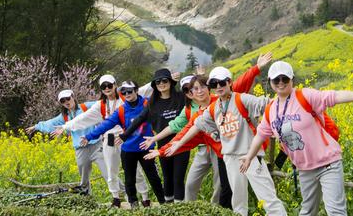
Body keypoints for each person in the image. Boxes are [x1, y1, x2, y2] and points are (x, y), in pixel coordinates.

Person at [240, 61, 353, 216]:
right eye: (276, 80)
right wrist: (249, 157)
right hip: (304, 168)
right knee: (308, 212)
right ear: (270, 82)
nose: (281, 83)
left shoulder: (305, 96)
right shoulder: (271, 109)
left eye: (285, 79)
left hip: (328, 163)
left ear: (292, 79)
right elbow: (261, 135)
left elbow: (334, 96)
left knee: (335, 212)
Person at [140, 53, 271, 206]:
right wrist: (162, 148)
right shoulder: (194, 112)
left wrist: (256, 68)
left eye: (202, 87)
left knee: (226, 188)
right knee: (214, 188)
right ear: (188, 94)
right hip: (216, 150)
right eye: (191, 90)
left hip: (236, 150)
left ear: (209, 89)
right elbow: (183, 130)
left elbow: (238, 84)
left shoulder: (221, 100)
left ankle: (220, 209)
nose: (198, 91)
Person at [164, 66, 287, 216]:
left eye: (221, 83)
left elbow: (269, 104)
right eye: (214, 84)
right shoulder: (214, 107)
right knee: (238, 202)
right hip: (231, 159)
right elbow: (196, 125)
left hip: (251, 156)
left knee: (268, 198)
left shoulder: (242, 99)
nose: (218, 87)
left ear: (229, 82)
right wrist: (179, 143)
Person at [53, 74, 150, 208]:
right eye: (104, 86)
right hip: (110, 139)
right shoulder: (101, 105)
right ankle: (116, 198)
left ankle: (145, 198)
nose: (107, 88)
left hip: (127, 138)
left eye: (109, 85)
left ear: (115, 85)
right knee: (111, 170)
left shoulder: (125, 96)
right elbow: (84, 118)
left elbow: (145, 89)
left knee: (136, 170)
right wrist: (65, 126)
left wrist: (166, 78)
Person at [81, 80, 165, 209]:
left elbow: (164, 103)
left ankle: (164, 203)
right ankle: (133, 204)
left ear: (136, 91)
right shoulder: (121, 110)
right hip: (128, 149)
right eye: (123, 92)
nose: (127, 94)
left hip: (146, 146)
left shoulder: (148, 103)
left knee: (153, 177)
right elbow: (106, 124)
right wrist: (89, 136)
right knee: (129, 179)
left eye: (129, 91)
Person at [118, 68, 190, 203]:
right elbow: (140, 119)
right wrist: (125, 135)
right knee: (167, 177)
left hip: (182, 142)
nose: (161, 84)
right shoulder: (153, 103)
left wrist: (201, 77)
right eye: (158, 82)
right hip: (163, 143)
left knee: (178, 178)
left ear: (170, 81)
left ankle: (180, 208)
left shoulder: (181, 97)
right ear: (154, 85)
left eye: (164, 80)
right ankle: (168, 206)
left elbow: (197, 97)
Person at [25, 89, 108, 195]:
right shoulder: (65, 116)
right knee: (84, 178)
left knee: (107, 172)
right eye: (63, 101)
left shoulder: (85, 107)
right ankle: (87, 198)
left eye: (68, 98)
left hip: (96, 144)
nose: (66, 102)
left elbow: (103, 104)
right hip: (80, 149)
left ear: (73, 97)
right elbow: (51, 123)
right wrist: (36, 126)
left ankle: (122, 194)